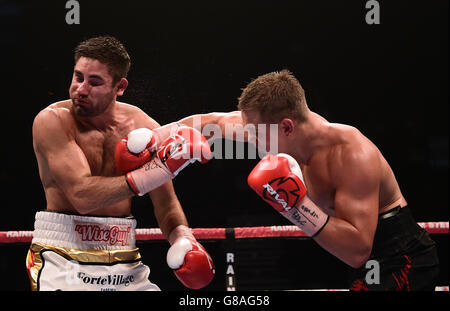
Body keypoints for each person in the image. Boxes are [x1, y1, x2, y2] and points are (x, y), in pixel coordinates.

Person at [177, 70, 440, 291]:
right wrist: (154, 139)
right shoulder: (271, 130)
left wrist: (295, 206)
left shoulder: (351, 154)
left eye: (256, 135)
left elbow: (358, 252)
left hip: (402, 259)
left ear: (288, 127)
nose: (252, 142)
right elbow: (213, 122)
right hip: (356, 264)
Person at [28, 35, 214, 291]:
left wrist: (182, 236)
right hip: (63, 256)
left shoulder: (144, 127)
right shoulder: (53, 121)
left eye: (94, 82)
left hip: (124, 256)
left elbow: (166, 202)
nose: (81, 89)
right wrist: (159, 169)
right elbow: (81, 197)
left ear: (120, 86)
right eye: (77, 77)